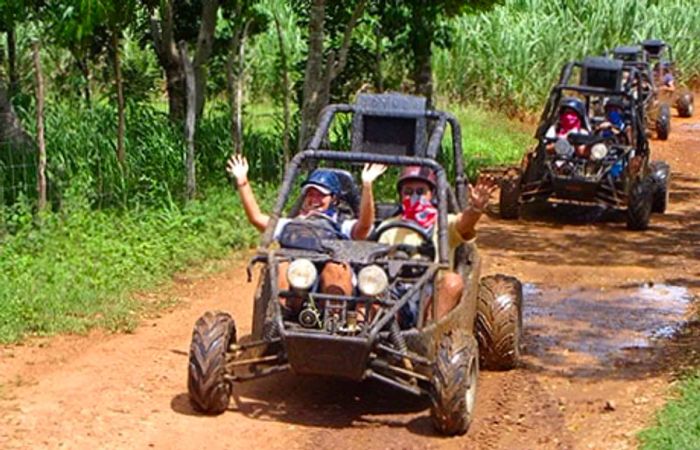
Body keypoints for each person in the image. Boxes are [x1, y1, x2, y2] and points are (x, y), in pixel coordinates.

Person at [226, 154, 386, 297]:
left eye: (321, 195)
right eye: (310, 194)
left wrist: (367, 186)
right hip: (298, 276)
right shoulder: (291, 223)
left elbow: (364, 227)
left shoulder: (341, 224)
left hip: (331, 282)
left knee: (335, 270)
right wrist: (243, 183)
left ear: (334, 199)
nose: (314, 199)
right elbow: (256, 218)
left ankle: (334, 318)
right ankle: (281, 317)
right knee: (281, 267)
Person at [374, 166, 497, 325]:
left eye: (420, 191)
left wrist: (476, 208)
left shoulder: (443, 223)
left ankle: (431, 338)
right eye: (408, 192)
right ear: (400, 196)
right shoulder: (388, 227)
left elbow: (464, 224)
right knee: (368, 293)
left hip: (433, 292)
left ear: (431, 195)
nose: (414, 197)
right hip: (395, 293)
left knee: (452, 281)